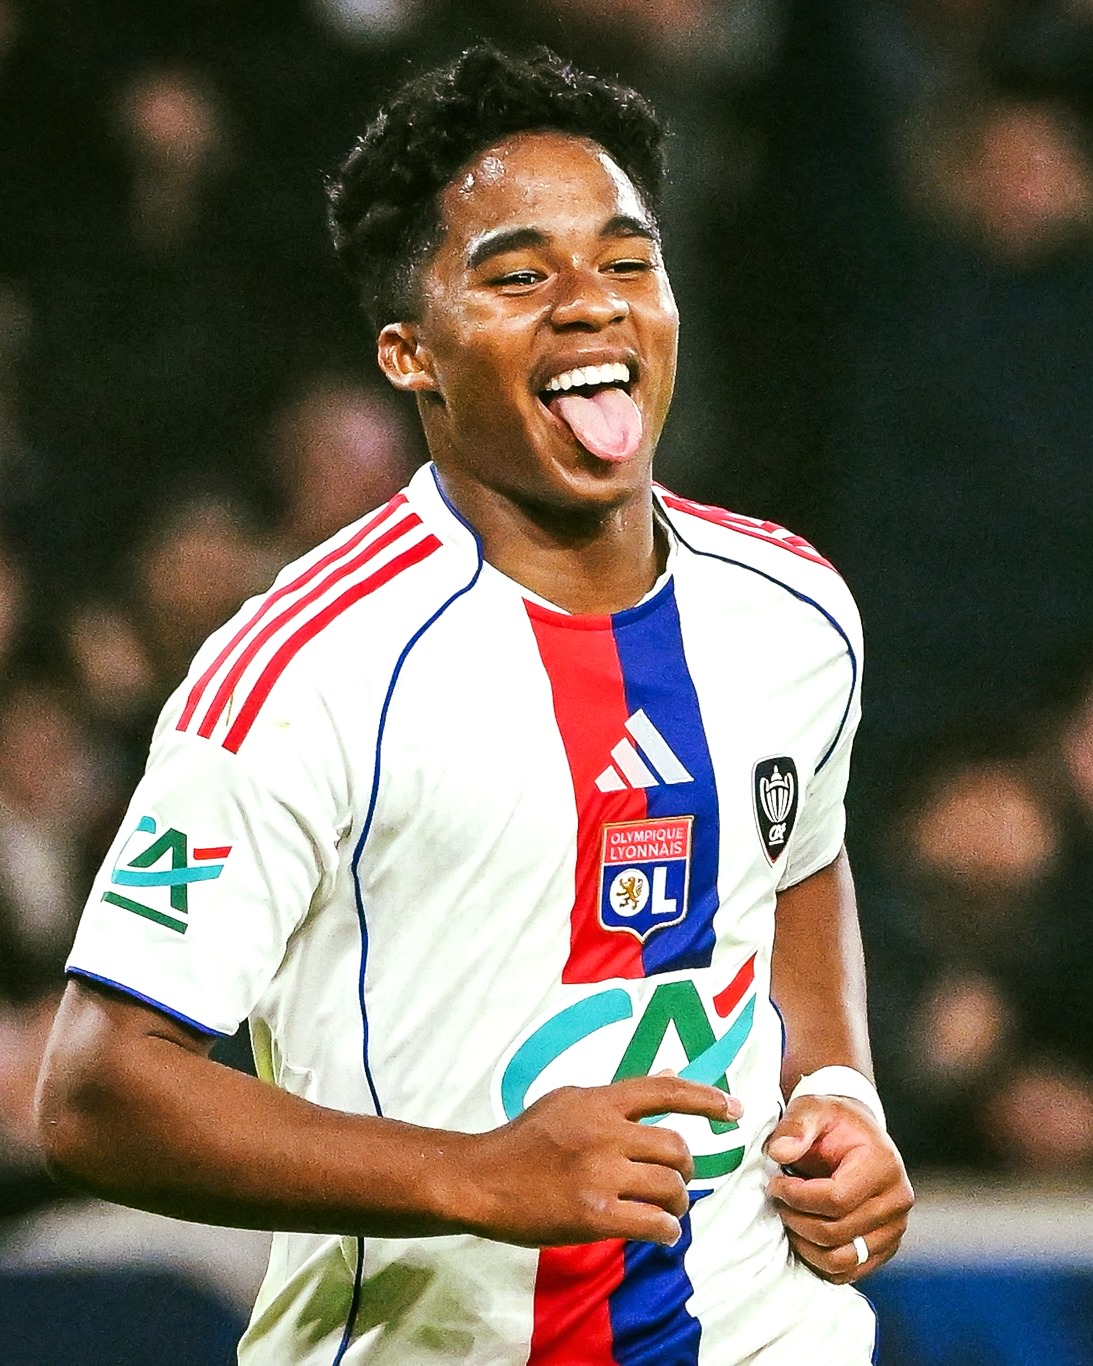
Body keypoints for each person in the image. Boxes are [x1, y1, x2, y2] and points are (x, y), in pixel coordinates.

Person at [36, 45, 912, 1364]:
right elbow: (98, 1090)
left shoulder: (793, 608)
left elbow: (800, 865)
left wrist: (836, 1087)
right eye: (518, 276)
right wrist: (474, 1175)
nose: (590, 305)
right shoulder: (305, 672)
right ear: (411, 354)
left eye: (627, 263)